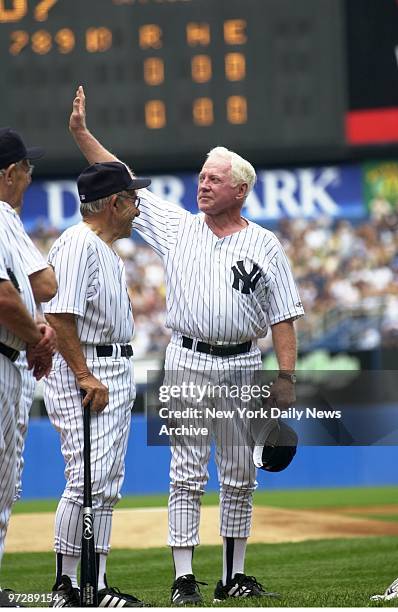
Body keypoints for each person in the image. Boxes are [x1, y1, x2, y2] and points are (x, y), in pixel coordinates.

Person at [70, 85, 304, 605]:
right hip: (187, 360)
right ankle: (183, 578)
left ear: (239, 190)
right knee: (186, 472)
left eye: (214, 179)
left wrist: (286, 377)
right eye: (201, 176)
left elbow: (285, 316)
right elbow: (120, 175)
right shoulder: (177, 227)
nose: (202, 185)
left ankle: (233, 574)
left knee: (241, 474)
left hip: (244, 361)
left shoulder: (265, 243)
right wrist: (84, 135)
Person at [42, 161, 151, 607]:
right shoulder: (77, 243)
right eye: (131, 197)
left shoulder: (102, 247)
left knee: (104, 482)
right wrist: (85, 373)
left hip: (111, 368)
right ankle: (68, 586)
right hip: (87, 370)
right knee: (86, 480)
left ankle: (97, 583)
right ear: (112, 203)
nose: (137, 204)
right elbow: (58, 313)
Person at [0, 128, 56, 606]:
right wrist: (36, 337)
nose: (30, 177)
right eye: (26, 169)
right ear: (9, 173)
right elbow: (0, 296)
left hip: (10, 356)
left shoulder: (7, 220)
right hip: (2, 357)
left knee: (4, 482)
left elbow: (40, 287)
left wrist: (33, 334)